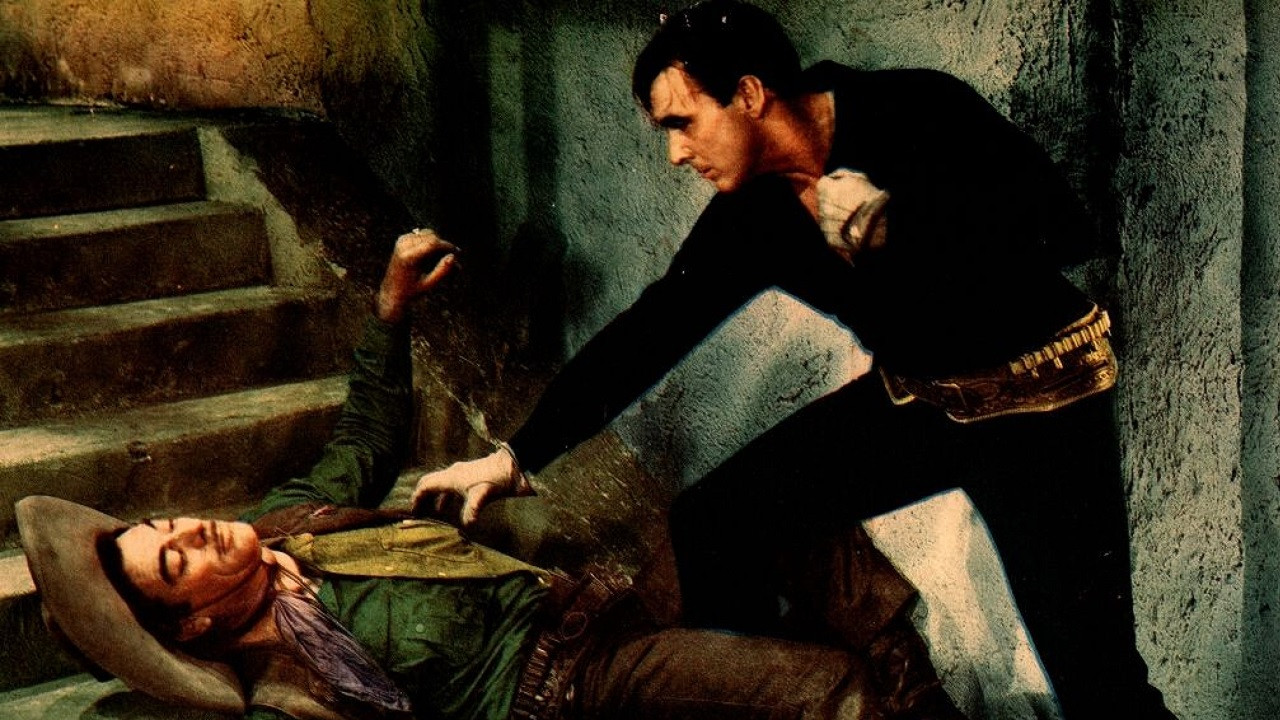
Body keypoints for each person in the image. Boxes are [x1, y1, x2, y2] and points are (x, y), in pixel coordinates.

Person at [408, 2, 1177, 718]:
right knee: (715, 522)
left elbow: (1063, 228)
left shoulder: (915, 110)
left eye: (683, 123)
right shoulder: (757, 212)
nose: (675, 154)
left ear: (748, 94)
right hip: (918, 405)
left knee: (1099, 688)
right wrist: (513, 457)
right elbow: (652, 330)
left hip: (1040, 405)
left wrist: (905, 224)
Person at [17, 231, 959, 720]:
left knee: (764, 504)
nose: (190, 531)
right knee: (824, 695)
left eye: (167, 525)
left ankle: (910, 694)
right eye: (174, 563)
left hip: (602, 607)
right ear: (195, 623)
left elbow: (364, 436)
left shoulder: (288, 524)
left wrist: (390, 311)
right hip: (577, 690)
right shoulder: (293, 687)